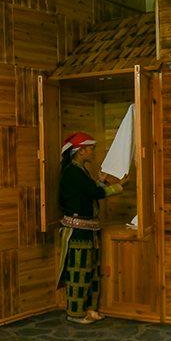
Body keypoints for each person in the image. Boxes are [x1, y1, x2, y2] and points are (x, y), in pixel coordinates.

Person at [58, 131, 122, 324]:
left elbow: (87, 191)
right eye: (91, 149)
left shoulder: (79, 171)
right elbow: (94, 192)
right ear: (80, 151)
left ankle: (90, 309)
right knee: (78, 272)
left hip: (88, 230)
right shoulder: (72, 172)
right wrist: (118, 187)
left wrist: (100, 181)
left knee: (91, 272)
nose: (93, 152)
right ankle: (76, 313)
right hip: (77, 231)